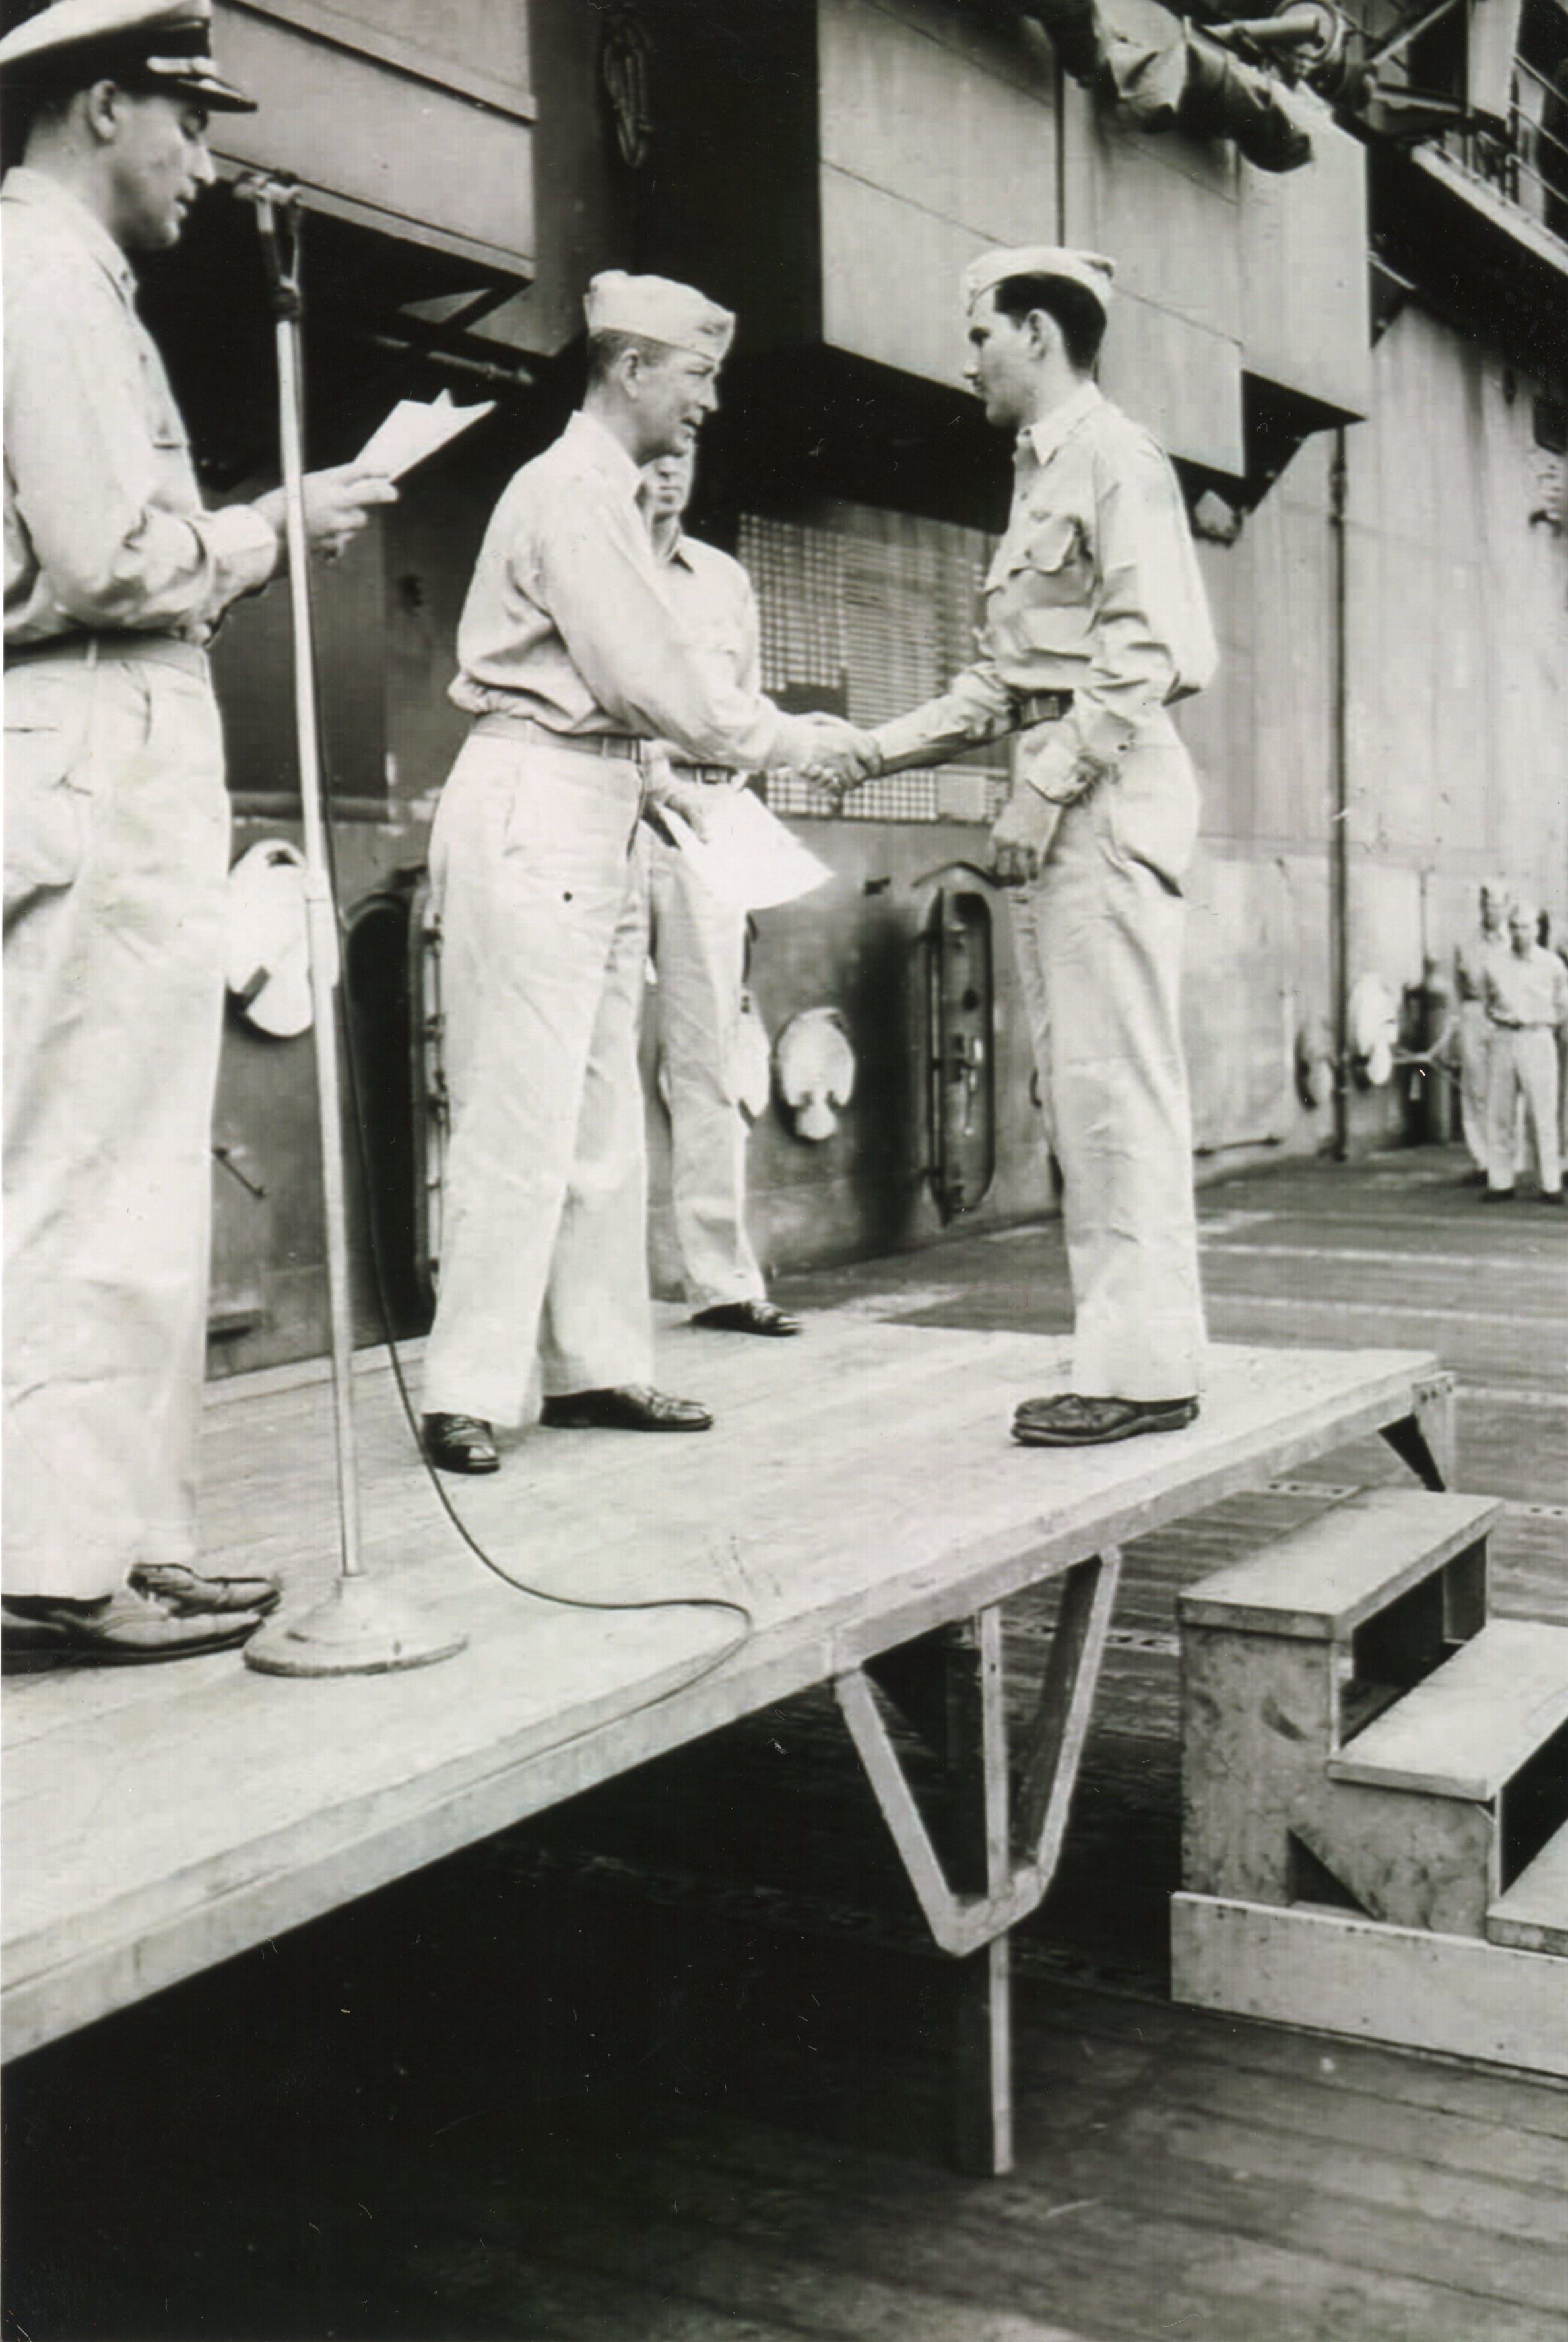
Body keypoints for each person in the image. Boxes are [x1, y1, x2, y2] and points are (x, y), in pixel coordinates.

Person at [1, 0, 397, 1672]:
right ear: (103, 106)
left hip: (101, 734)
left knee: (124, 1159)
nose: (208, 166)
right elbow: (106, 558)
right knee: (91, 1164)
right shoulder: (42, 277)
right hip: (93, 725)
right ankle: (56, 1562)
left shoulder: (66, 279)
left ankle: (114, 1541)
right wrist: (268, 528)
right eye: (189, 122)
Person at [419, 271, 867, 1475]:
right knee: (520, 1104)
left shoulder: (604, 494)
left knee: (600, 1106)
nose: (707, 403)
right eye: (696, 376)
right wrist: (799, 742)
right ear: (629, 369)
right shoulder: (573, 492)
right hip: (541, 795)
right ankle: (467, 1388)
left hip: (603, 796)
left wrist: (685, 767)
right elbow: (651, 679)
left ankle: (596, 1362)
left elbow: (635, 696)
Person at [819, 245, 1217, 1447]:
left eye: (981, 333)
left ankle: (1142, 1373)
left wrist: (1042, 790)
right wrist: (870, 751)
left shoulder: (1116, 458)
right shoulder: (1043, 471)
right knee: (1081, 1084)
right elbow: (1006, 679)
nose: (968, 360)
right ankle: (1131, 1358)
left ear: (1039, 333)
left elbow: (1147, 651)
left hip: (1103, 787)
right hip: (1075, 779)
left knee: (1113, 1086)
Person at [636, 449, 800, 1340]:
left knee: (710, 1057)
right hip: (611, 809)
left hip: (707, 818)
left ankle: (723, 1281)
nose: (667, 473)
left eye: (683, 458)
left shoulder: (724, 580)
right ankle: (590, 1295)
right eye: (652, 458)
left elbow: (743, 710)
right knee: (590, 1062)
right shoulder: (596, 559)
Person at [1480, 901, 1567, 1204]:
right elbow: (1488, 1001)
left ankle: (1551, 1183)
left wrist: (1545, 1025)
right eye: (1515, 927)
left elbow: (1562, 1005)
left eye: (1526, 927)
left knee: (1543, 1113)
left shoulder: (1552, 965)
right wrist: (1503, 1021)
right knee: (1500, 1112)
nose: (1520, 934)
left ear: (1538, 930)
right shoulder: (1495, 963)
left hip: (1538, 1036)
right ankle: (1500, 1182)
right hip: (1505, 1036)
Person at [1453, 879, 1513, 1181]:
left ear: (1507, 907)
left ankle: (1507, 1160)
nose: (1492, 912)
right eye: (1487, 905)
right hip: (1474, 1012)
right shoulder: (1467, 943)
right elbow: (1459, 982)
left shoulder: (1514, 942)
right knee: (1475, 1086)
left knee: (1505, 1086)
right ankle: (1483, 1160)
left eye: (1497, 906)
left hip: (1504, 1015)